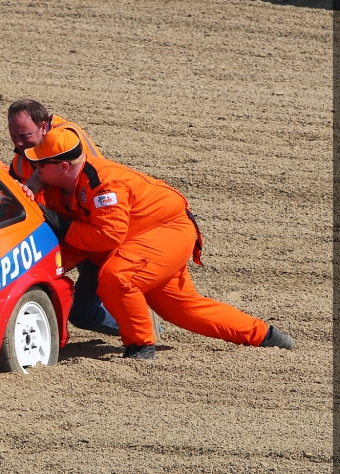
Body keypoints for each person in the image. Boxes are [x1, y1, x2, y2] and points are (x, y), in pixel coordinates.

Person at [23, 126, 295, 359]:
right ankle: (266, 336)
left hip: (168, 231)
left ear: (64, 167)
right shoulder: (61, 181)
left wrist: (64, 226)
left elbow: (107, 236)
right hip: (144, 240)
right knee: (183, 309)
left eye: (39, 165)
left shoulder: (106, 185)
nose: (34, 170)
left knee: (117, 277)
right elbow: (74, 232)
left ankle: (140, 345)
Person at [6, 99, 122, 337]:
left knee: (84, 310)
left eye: (25, 135)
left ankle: (142, 329)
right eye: (13, 135)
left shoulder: (67, 141)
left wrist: (31, 188)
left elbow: (62, 176)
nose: (18, 142)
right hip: (66, 231)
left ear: (44, 128)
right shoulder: (21, 159)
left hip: (91, 234)